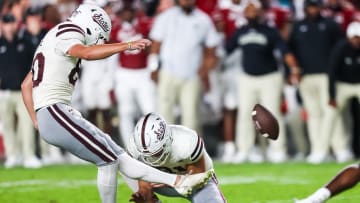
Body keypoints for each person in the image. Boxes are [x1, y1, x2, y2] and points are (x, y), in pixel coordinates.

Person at [20, 4, 213, 203]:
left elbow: (26, 85)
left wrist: (38, 121)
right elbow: (86, 52)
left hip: (55, 113)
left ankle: (176, 182)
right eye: (100, 36)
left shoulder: (51, 38)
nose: (98, 41)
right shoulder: (69, 31)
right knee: (108, 161)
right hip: (55, 111)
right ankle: (177, 181)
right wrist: (126, 45)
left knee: (119, 156)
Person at [226, 0, 299, 163]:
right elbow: (226, 49)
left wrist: (294, 69)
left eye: (254, 11)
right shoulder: (241, 32)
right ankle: (244, 150)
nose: (251, 14)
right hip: (247, 78)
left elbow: (285, 52)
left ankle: (278, 150)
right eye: (248, 11)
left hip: (269, 77)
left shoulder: (270, 31)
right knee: (244, 114)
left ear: (260, 13)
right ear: (244, 14)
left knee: (273, 113)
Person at [294, 21, 360, 203]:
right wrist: (331, 95)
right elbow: (332, 71)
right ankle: (316, 195)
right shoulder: (341, 48)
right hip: (342, 85)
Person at [148, 0, 219, 133]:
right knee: (164, 115)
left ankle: (190, 152)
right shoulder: (166, 17)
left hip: (191, 76)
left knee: (191, 118)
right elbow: (156, 45)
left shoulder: (203, 19)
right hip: (167, 73)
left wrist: (204, 70)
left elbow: (212, 48)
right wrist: (153, 68)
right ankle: (166, 151)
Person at [288, 0, 344, 164]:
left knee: (332, 113)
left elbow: (341, 49)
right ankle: (318, 150)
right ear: (305, 8)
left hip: (327, 75)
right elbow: (291, 50)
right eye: (310, 6)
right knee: (313, 114)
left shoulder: (331, 25)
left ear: (320, 7)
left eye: (315, 6)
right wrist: (293, 72)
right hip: (306, 76)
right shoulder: (298, 27)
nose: (312, 9)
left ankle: (340, 149)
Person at [124, 113, 226, 203]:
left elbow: (198, 178)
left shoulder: (186, 141)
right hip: (159, 183)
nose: (152, 158)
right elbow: (144, 182)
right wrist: (145, 196)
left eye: (157, 153)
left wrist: (173, 182)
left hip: (195, 180)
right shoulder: (134, 148)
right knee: (129, 169)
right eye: (148, 155)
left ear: (167, 140)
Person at [111, 1, 157, 147]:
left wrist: (153, 67)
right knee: (126, 112)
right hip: (123, 73)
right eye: (123, 11)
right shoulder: (114, 28)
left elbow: (153, 47)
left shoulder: (144, 24)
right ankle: (129, 147)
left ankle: (153, 145)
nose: (126, 14)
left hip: (143, 73)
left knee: (150, 110)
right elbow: (111, 54)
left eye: (129, 11)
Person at [0, 13, 42, 168]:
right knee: (7, 125)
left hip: (23, 92)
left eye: (11, 22)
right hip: (4, 91)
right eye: (6, 23)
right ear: (2, 25)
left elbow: (35, 65)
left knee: (27, 123)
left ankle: (28, 155)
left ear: (16, 24)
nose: (9, 26)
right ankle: (12, 155)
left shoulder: (25, 43)